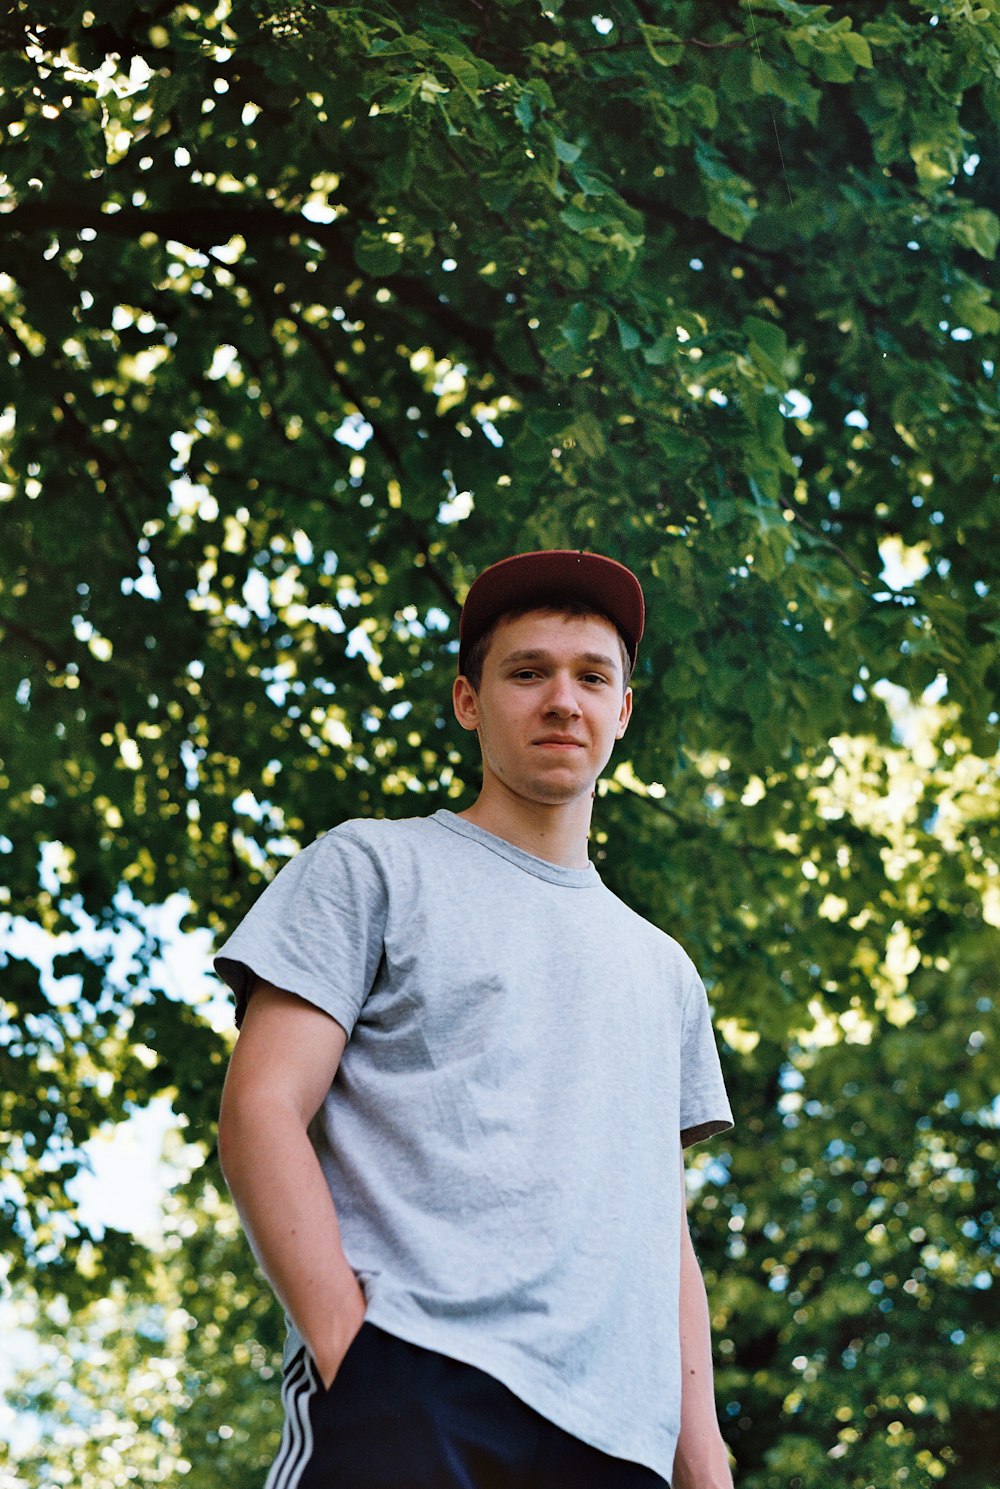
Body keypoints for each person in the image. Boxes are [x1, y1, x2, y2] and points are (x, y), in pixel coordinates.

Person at [215, 549, 735, 1489]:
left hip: (620, 1441)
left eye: (591, 677)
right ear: (468, 700)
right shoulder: (371, 866)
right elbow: (260, 1107)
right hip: (416, 1383)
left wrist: (703, 1463)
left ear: (623, 710)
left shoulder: (666, 970)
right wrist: (352, 1350)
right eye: (526, 672)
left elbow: (661, 1232)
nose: (562, 701)